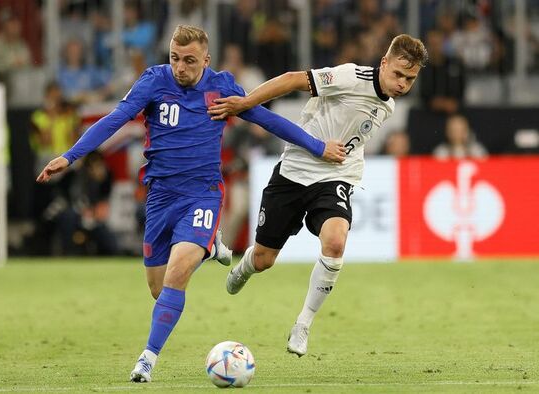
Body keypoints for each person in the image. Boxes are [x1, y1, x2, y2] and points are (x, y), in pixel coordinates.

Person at [36, 25, 345, 383]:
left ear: (206, 60)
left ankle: (147, 359)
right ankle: (210, 247)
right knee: (159, 287)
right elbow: (115, 120)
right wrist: (70, 156)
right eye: (174, 59)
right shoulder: (153, 82)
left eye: (189, 61)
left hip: (202, 195)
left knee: (177, 274)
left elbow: (267, 118)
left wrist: (318, 146)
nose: (180, 68)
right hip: (160, 197)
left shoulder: (222, 88)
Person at [208, 34, 427, 357]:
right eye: (398, 74)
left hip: (337, 177)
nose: (402, 84)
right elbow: (292, 79)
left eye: (410, 79)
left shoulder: (389, 105)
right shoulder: (351, 77)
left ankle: (303, 324)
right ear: (383, 63)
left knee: (336, 241)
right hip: (293, 172)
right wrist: (245, 103)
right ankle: (246, 267)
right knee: (265, 259)